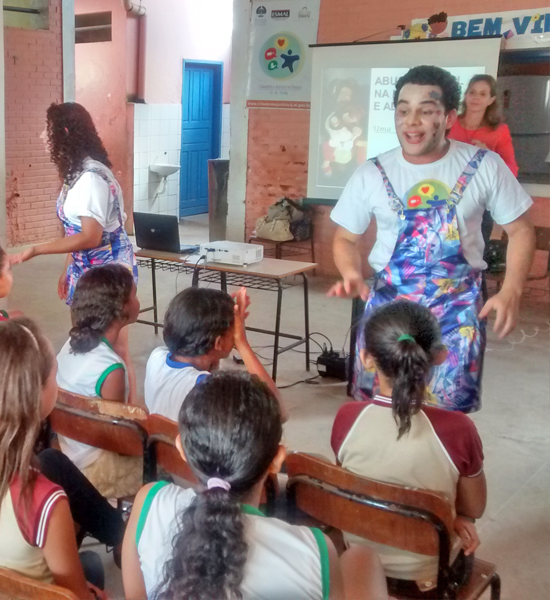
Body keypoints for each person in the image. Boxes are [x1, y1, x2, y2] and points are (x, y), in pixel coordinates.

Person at [329, 65, 535, 413]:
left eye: (426, 111)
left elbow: (521, 231)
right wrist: (350, 272)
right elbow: (344, 239)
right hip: (389, 314)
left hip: (456, 316)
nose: (412, 121)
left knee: (446, 415)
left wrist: (511, 289)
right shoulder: (372, 172)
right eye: (403, 110)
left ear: (450, 116)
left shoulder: (484, 165)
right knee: (379, 411)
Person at [122, 371, 388, 600]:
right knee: (361, 558)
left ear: (181, 447)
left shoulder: (149, 503)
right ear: (276, 460)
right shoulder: (314, 550)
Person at [0, 319, 114, 599]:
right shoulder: (45, 502)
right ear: (35, 397)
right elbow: (73, 596)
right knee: (92, 567)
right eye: (54, 374)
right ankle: (129, 545)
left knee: (52, 460)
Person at [331, 300, 485, 593]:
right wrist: (460, 518)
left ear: (366, 358)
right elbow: (474, 506)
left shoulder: (347, 418)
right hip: (428, 575)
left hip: (357, 557)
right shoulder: (457, 429)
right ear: (439, 356)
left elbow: (352, 486)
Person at [11, 102, 137, 307]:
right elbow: (75, 231)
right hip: (86, 268)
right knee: (88, 333)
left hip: (108, 273)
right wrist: (68, 269)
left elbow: (90, 237)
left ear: (65, 132)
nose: (42, 135)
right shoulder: (76, 173)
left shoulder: (90, 179)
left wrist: (35, 250)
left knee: (106, 335)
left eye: (47, 129)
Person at [56, 264, 142, 498]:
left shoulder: (70, 345)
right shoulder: (111, 367)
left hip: (69, 451)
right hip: (94, 467)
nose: (137, 299)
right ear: (121, 308)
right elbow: (118, 439)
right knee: (161, 468)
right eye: (134, 295)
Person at [144, 286, 283, 423]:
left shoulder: (157, 357)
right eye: (234, 331)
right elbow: (278, 412)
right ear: (218, 343)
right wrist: (242, 343)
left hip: (161, 442)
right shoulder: (208, 390)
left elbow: (205, 364)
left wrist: (223, 320)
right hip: (190, 446)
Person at [449, 75, 518, 176]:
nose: (476, 97)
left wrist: (489, 156)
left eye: (483, 94)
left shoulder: (500, 131)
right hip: (447, 183)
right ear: (465, 95)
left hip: (482, 188)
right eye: (472, 92)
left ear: (491, 100)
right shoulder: (449, 122)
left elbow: (512, 172)